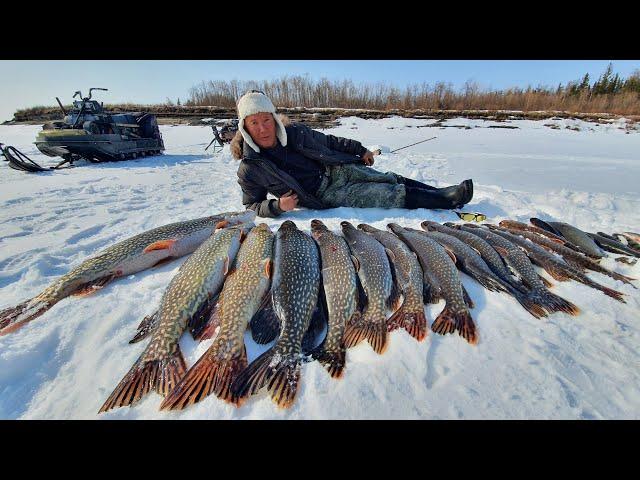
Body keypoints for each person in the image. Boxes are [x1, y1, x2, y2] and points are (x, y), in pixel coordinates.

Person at [231, 90, 474, 218]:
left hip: (337, 169)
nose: (262, 128)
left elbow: (330, 141)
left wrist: (360, 150)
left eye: (266, 120)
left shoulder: (295, 133)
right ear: (245, 127)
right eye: (254, 123)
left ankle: (439, 192)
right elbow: (252, 205)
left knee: (389, 178)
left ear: (274, 119)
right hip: (326, 193)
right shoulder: (250, 167)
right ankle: (448, 199)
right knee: (385, 194)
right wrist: (277, 206)